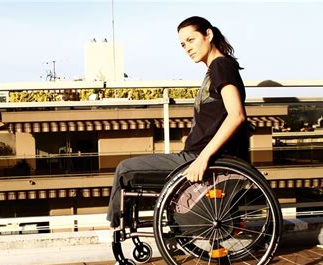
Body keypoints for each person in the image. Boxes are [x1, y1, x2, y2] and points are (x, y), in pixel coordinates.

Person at [106, 16, 249, 228]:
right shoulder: (218, 68)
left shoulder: (221, 66)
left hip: (199, 157)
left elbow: (236, 115)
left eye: (191, 40)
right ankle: (127, 226)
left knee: (125, 170)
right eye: (183, 44)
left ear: (208, 35)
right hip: (196, 155)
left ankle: (117, 230)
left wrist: (202, 159)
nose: (187, 48)